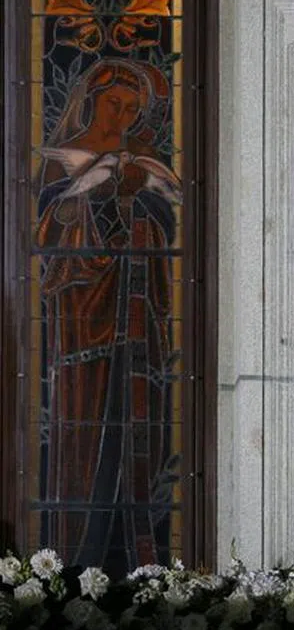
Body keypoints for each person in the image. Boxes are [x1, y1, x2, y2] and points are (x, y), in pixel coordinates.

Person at [35, 58, 181, 576]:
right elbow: (52, 235)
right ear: (90, 99)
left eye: (132, 110)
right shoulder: (59, 163)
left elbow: (167, 228)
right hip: (80, 327)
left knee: (135, 432)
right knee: (83, 432)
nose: (122, 117)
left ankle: (143, 559)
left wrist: (135, 197)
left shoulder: (143, 159)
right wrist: (101, 194)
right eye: (114, 104)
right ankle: (70, 561)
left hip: (136, 325)